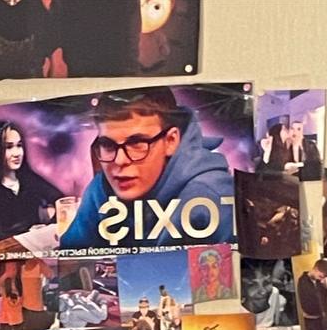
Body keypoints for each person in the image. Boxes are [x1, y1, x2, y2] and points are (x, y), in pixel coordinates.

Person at [61, 88, 232, 251]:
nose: (120, 161)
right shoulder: (100, 190)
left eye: (136, 143)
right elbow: (67, 260)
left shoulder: (211, 196)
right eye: (108, 145)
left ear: (171, 141)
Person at [0, 120, 63, 252]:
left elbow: (62, 201)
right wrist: (24, 234)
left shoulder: (29, 179)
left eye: (19, 145)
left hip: (37, 254)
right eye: (8, 147)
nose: (17, 153)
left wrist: (47, 223)